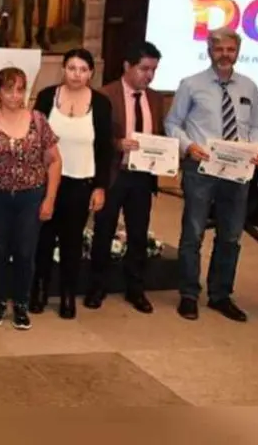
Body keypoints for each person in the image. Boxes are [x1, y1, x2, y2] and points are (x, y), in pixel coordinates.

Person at [165, 27, 258, 322]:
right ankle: (188, 294)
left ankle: (220, 295)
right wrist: (189, 146)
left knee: (231, 236)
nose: (225, 55)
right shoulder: (191, 85)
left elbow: (257, 126)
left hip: (238, 172)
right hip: (201, 168)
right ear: (209, 50)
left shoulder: (249, 87)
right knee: (193, 233)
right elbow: (172, 123)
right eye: (219, 49)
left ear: (237, 53)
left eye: (230, 50)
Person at [0, 67, 62, 331]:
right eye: (8, 89)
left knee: (25, 252)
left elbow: (54, 161)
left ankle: (21, 304)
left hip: (31, 197)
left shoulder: (38, 121)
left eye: (20, 88)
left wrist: (50, 199)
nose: (15, 95)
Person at [31, 49, 114, 319]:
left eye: (82, 70)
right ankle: (38, 290)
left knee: (71, 242)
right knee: (42, 240)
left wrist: (100, 186)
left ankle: (68, 295)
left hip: (81, 183)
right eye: (71, 68)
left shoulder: (100, 104)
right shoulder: (46, 97)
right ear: (63, 70)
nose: (76, 74)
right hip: (46, 183)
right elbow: (33, 140)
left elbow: (104, 150)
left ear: (90, 73)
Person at [86, 41, 166, 313]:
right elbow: (95, 138)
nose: (149, 75)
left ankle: (136, 288)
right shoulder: (105, 95)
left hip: (142, 177)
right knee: (104, 231)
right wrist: (117, 144)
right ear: (127, 66)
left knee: (138, 234)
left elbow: (160, 135)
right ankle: (97, 286)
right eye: (144, 69)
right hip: (113, 174)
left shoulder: (155, 99)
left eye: (154, 70)